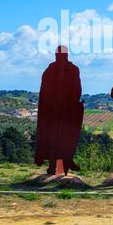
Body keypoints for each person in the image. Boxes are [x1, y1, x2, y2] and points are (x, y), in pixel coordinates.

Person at [35, 45, 84, 175]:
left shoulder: (72, 70)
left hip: (67, 111)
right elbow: (44, 91)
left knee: (66, 138)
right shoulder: (50, 71)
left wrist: (73, 104)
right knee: (53, 138)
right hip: (53, 111)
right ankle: (52, 165)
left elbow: (77, 89)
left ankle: (66, 162)